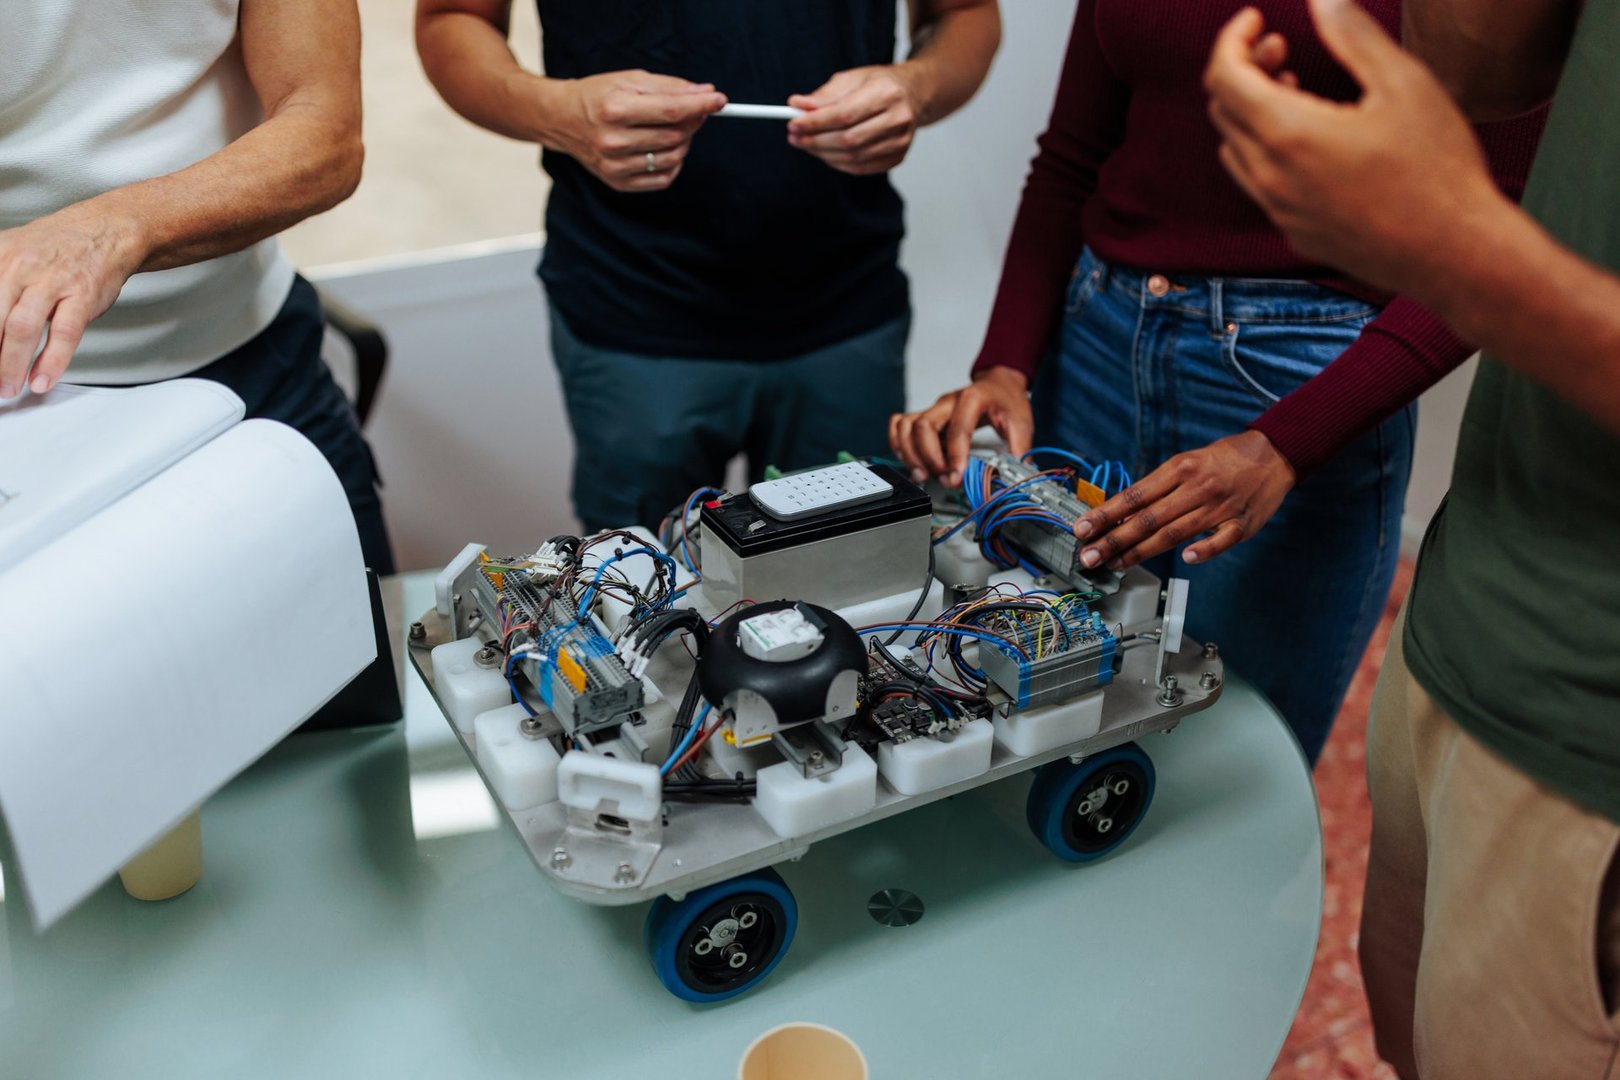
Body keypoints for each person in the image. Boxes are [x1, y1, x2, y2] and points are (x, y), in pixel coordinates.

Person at [888, 0, 1542, 762]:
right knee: (1053, 703)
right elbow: (1074, 155)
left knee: (1235, 751)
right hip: (1096, 338)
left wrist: (1286, 444)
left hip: (1297, 379)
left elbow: (1500, 227)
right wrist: (1004, 364)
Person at [1205, 0, 1620, 1074]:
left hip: (1592, 749)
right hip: (1468, 621)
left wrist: (1459, 249)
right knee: (1416, 1040)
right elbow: (1477, 77)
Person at [415, 0, 1001, 532]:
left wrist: (915, 87)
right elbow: (452, 18)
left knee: (853, 575)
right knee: (640, 590)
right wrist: (557, 112)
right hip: (632, 310)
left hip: (847, 309)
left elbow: (967, 13)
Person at [0, 0, 394, 574]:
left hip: (258, 370)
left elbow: (326, 136)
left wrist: (112, 230)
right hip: (26, 409)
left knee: (366, 625)